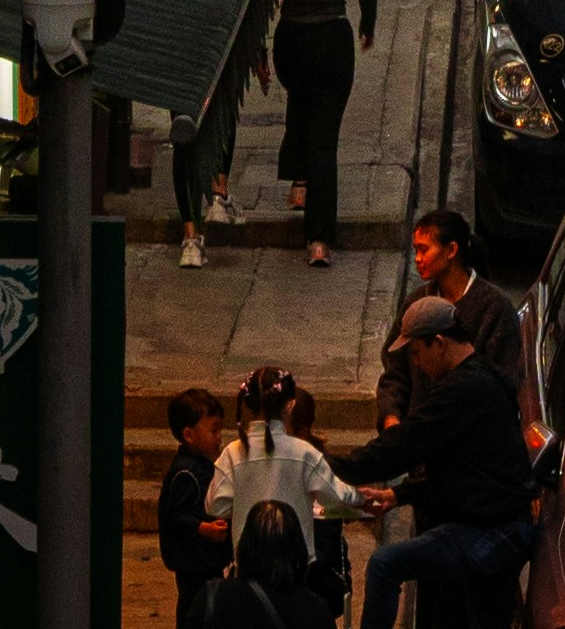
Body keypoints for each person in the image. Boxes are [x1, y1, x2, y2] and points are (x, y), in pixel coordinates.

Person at [351, 294, 543, 628]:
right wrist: (397, 496)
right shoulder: (481, 379)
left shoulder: (463, 390)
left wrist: (331, 465)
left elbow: (404, 445)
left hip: (492, 532)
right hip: (492, 525)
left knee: (385, 564)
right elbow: (451, 464)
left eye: (416, 352)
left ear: (438, 343)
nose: (416, 363)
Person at [261, 0, 376, 266]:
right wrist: (368, 26)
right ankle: (320, 240)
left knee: (301, 104)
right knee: (324, 142)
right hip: (333, 41)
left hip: (292, 42)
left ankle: (297, 183)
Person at [212, 370, 354, 624]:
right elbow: (339, 498)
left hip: (248, 565)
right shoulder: (304, 453)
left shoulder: (233, 453)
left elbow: (215, 504)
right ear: (290, 405)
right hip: (298, 570)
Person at [375, 205, 522, 432]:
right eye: (416, 250)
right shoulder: (416, 302)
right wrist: (391, 416)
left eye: (424, 250)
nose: (417, 259)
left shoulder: (495, 308)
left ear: (451, 250)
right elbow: (396, 370)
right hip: (421, 441)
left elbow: (501, 386)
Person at [162, 395, 238, 629]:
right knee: (195, 606)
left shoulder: (201, 466)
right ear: (189, 435)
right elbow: (174, 515)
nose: (219, 438)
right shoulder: (186, 474)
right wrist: (204, 528)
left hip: (206, 559)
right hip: (193, 559)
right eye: (213, 431)